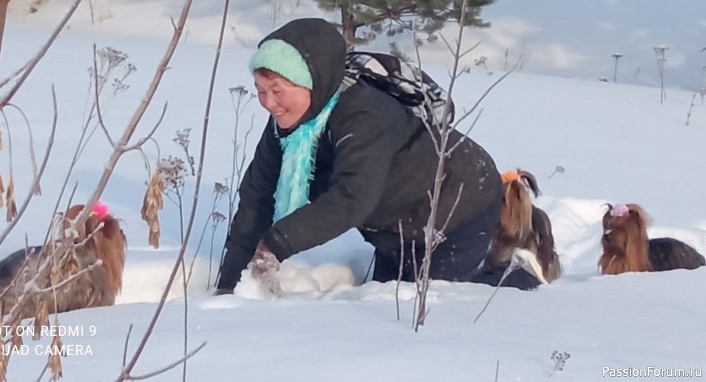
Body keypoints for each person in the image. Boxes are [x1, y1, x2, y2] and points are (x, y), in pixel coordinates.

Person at [215, 17, 540, 294]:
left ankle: (517, 275)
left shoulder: (364, 114)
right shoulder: (287, 128)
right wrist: (229, 284)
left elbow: (352, 198)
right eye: (260, 91)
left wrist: (275, 244)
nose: (269, 103)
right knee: (385, 297)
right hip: (394, 229)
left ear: (311, 83)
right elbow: (257, 200)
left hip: (461, 206)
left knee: (433, 298)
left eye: (278, 90)